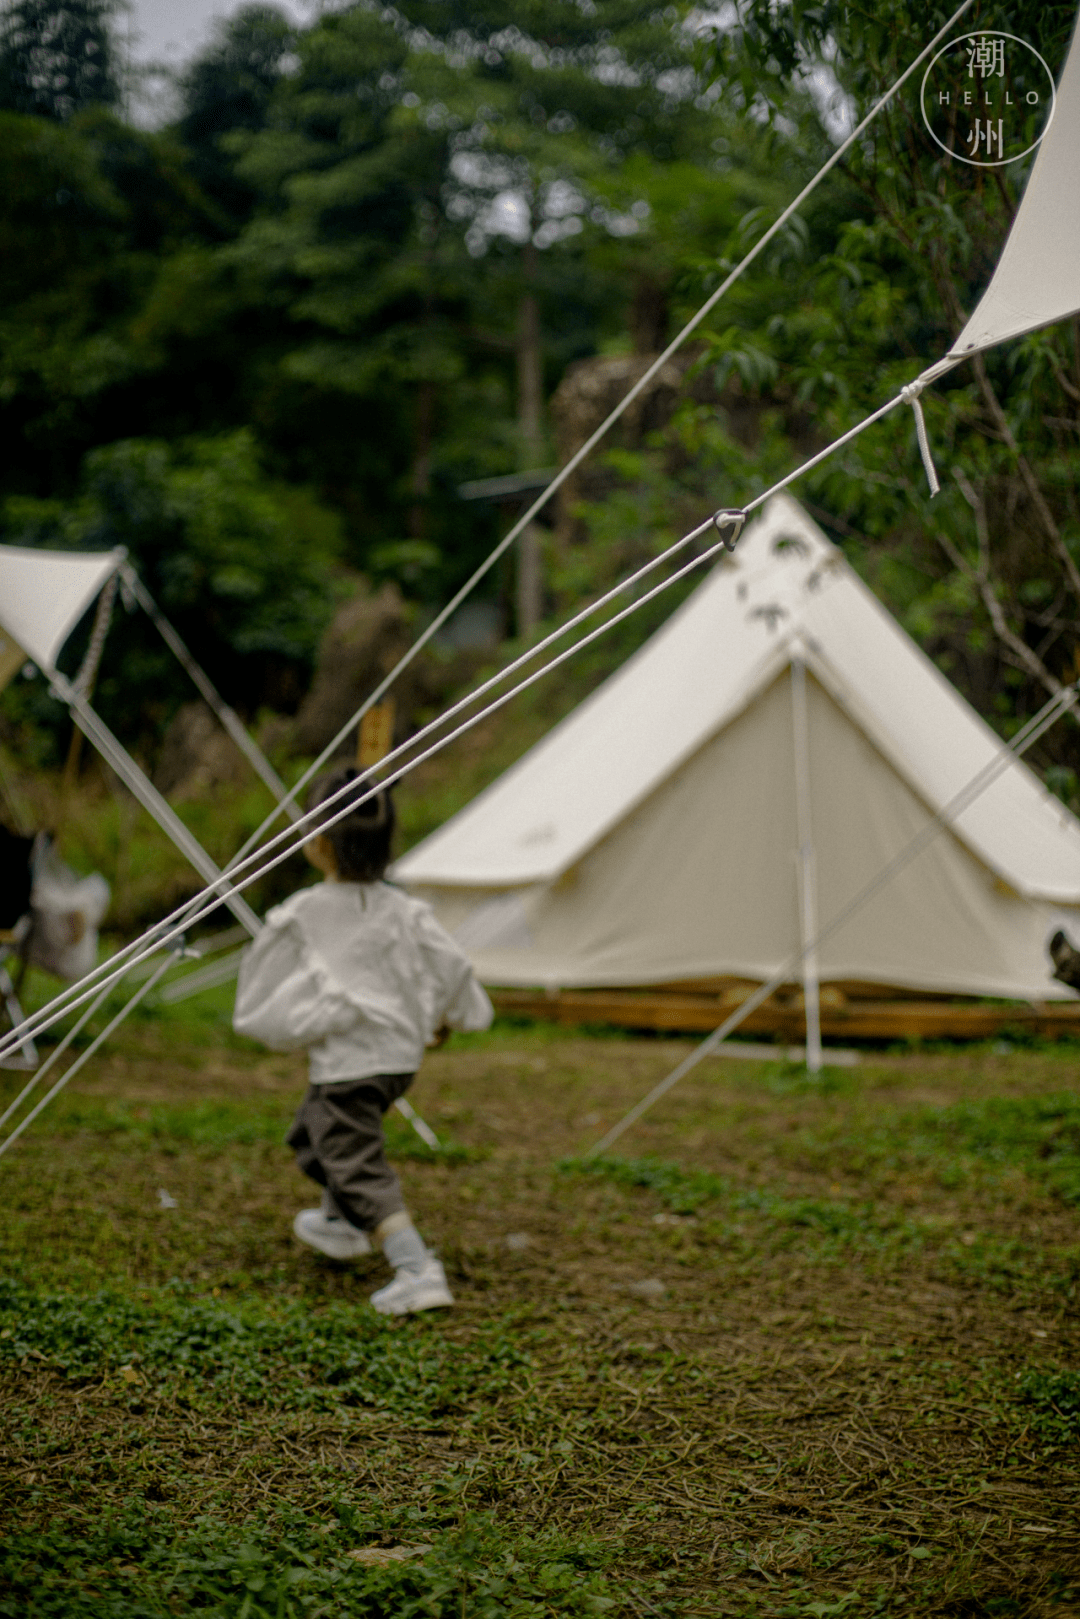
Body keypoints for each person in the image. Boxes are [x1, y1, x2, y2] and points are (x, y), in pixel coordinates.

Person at [232, 767, 493, 1315]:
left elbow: (259, 995)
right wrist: (449, 1015)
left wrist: (294, 1019)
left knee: (353, 1159)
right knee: (313, 1133)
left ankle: (415, 1267)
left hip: (354, 1063)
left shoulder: (305, 912)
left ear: (320, 843)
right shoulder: (402, 907)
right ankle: (338, 1223)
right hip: (397, 1058)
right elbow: (452, 963)